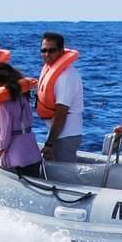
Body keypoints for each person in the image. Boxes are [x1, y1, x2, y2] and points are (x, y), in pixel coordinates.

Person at [0, 63, 43, 178]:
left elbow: (5, 137)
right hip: (33, 154)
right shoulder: (23, 97)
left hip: (16, 159)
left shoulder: (4, 104)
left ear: (3, 82)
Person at [35, 32, 84, 163]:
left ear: (61, 52)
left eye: (52, 50)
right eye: (44, 50)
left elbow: (61, 113)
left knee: (66, 176)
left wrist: (49, 144)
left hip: (66, 136)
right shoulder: (50, 70)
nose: (47, 54)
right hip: (58, 134)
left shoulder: (65, 76)